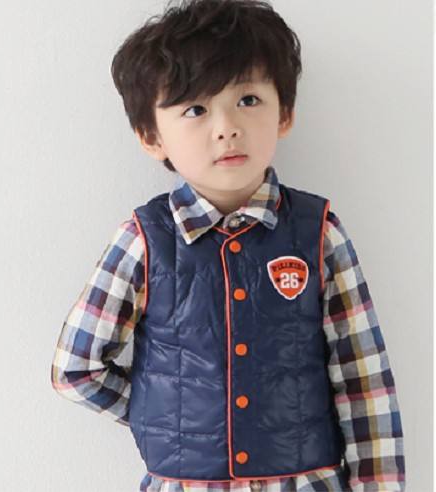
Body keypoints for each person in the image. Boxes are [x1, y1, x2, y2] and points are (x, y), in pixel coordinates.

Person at [50, 0, 406, 490]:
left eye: (248, 100)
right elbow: (76, 369)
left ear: (285, 113)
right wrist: (165, 415)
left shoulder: (319, 232)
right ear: (152, 137)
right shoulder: (143, 239)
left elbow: (364, 381)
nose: (226, 127)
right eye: (195, 109)